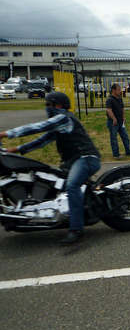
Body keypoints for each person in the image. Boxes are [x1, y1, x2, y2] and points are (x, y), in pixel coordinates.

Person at [0, 92, 101, 245]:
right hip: (72, 162)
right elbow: (42, 140)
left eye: (48, 105)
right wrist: (15, 150)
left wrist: (5, 134)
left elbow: (37, 127)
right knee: (47, 177)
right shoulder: (59, 124)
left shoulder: (64, 118)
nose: (47, 108)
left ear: (58, 106)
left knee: (72, 185)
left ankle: (76, 230)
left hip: (85, 158)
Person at [106, 83, 130, 158]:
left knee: (125, 136)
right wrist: (114, 119)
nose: (120, 91)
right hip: (113, 122)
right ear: (113, 90)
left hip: (120, 121)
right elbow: (109, 110)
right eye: (118, 90)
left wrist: (123, 117)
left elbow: (122, 109)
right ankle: (116, 153)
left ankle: (128, 151)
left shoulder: (120, 99)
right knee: (114, 138)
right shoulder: (110, 100)